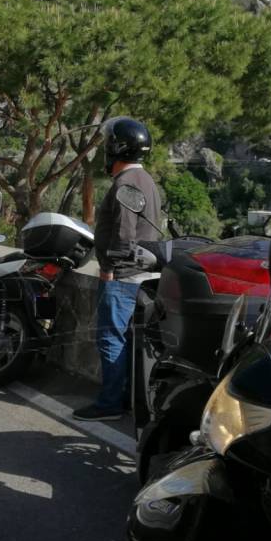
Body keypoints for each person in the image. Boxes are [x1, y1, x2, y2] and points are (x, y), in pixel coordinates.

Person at [73, 117, 163, 422]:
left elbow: (124, 235)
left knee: (111, 338)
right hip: (142, 274)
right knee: (127, 340)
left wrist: (108, 268)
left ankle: (111, 403)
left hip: (123, 277)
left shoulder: (125, 184)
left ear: (117, 147)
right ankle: (125, 397)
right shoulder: (146, 180)